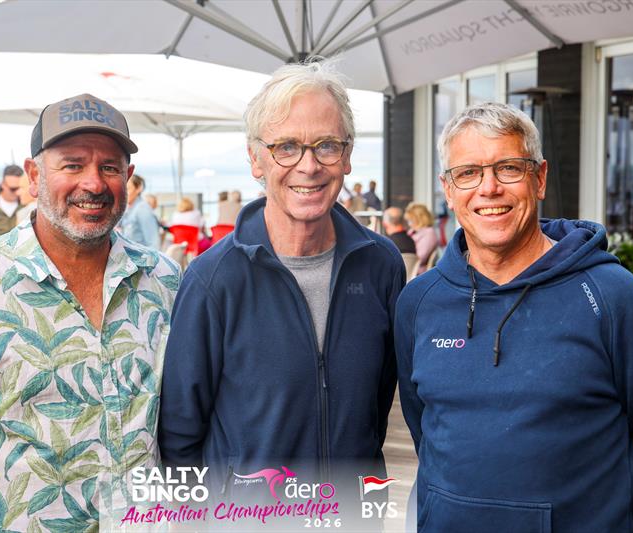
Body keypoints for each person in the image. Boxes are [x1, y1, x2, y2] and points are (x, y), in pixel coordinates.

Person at [0, 93, 179, 531]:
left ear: (129, 178)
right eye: (73, 165)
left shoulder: (166, 282)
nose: (94, 184)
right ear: (34, 174)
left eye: (110, 167)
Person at [159, 60, 405, 522]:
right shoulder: (214, 280)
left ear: (347, 156)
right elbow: (179, 437)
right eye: (286, 146)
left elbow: (374, 412)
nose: (308, 166)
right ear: (256, 159)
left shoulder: (381, 265)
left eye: (326, 146)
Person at [395, 102, 633, 532]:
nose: (489, 188)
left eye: (509, 168)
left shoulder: (615, 298)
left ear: (539, 179)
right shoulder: (419, 302)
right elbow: (424, 427)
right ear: (448, 188)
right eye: (469, 173)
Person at [120, 173, 160, 248]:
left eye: (128, 189)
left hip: (140, 257)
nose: (124, 193)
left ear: (138, 188)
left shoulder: (142, 209)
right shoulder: (128, 209)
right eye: (122, 189)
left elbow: (153, 242)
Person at [405, 202, 438, 275]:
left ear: (418, 219)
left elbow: (420, 258)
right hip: (408, 269)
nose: (409, 224)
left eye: (410, 220)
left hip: (417, 272)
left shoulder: (429, 233)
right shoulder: (413, 231)